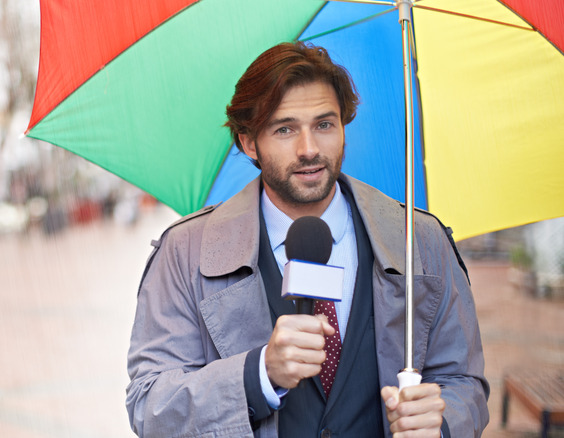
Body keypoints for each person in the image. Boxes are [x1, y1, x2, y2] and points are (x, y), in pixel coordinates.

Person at [126, 42, 489, 437]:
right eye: (285, 129)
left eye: (324, 124)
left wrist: (440, 425)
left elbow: (465, 383)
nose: (310, 149)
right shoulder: (185, 252)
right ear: (249, 142)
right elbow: (151, 405)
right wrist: (258, 374)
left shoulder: (419, 240)